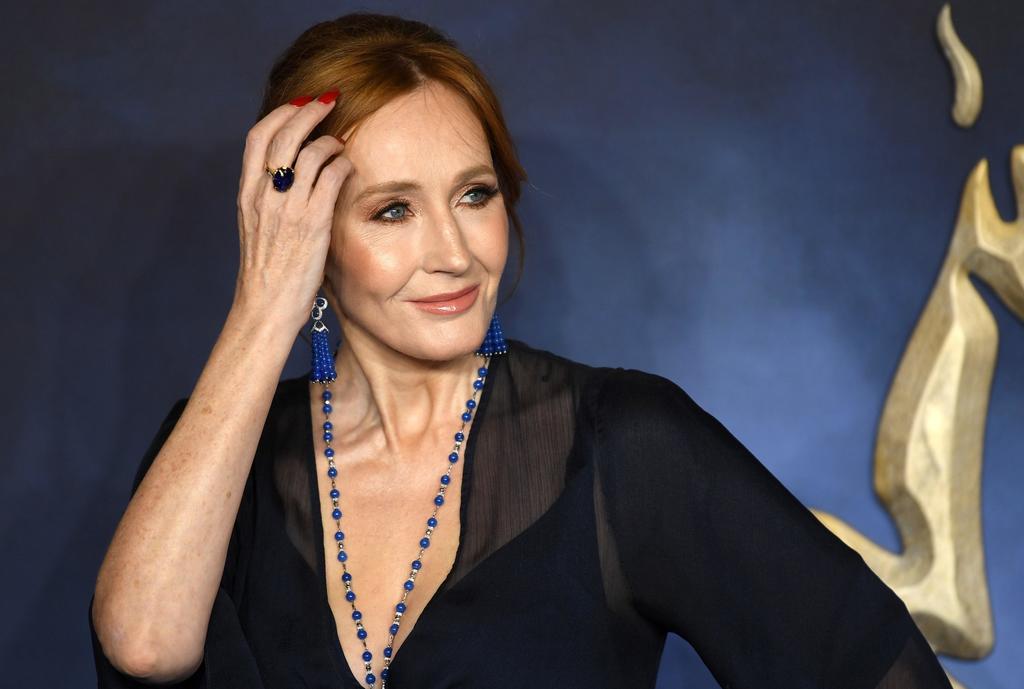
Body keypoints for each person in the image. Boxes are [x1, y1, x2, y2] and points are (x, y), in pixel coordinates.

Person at [88, 11, 954, 689]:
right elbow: (144, 645)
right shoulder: (220, 455)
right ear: (306, 233)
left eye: (475, 194)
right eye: (393, 210)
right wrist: (262, 305)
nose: (454, 251)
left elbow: (872, 665)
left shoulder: (624, 443)